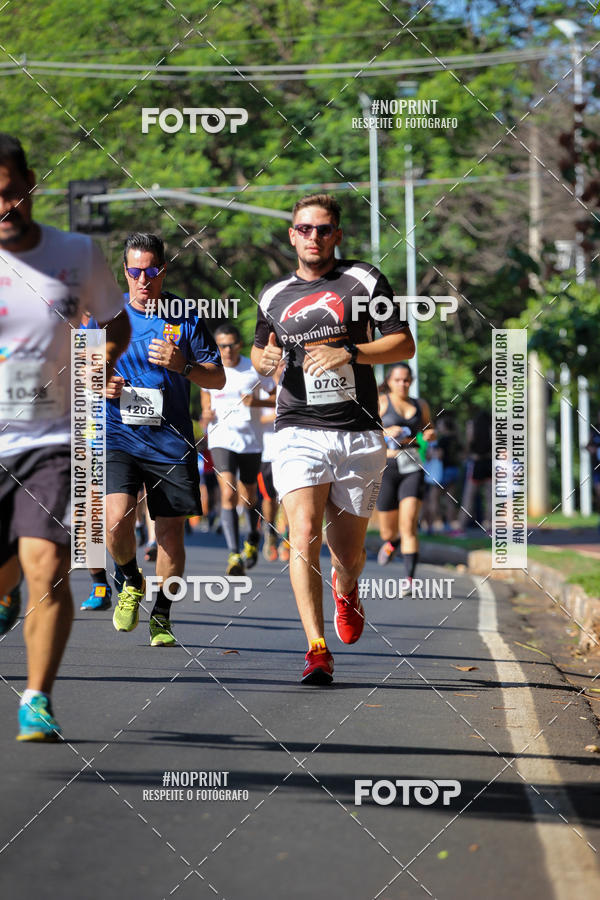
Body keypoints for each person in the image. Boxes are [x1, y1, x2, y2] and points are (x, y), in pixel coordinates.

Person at [252, 193, 414, 684]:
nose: (314, 237)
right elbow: (261, 352)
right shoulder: (273, 294)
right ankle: (316, 648)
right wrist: (263, 361)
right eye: (305, 229)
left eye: (323, 229)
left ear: (337, 235)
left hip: (358, 432)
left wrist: (351, 352)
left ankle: (347, 589)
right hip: (298, 428)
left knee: (348, 555)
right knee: (302, 533)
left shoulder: (363, 279)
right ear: (292, 235)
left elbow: (403, 342)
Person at [0, 133, 130, 740]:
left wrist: (102, 354)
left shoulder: (76, 253)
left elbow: (115, 323)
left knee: (48, 564)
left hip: (51, 437)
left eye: (9, 193)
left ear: (30, 186)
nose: (3, 209)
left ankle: (37, 698)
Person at [87, 232, 224, 646]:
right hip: (118, 437)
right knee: (115, 522)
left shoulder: (187, 318)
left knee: (169, 536)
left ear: (164, 270)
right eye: (134, 272)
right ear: (124, 272)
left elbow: (217, 378)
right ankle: (130, 579)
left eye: (151, 271)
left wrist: (184, 366)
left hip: (171, 443)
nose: (143, 280)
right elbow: (79, 369)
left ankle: (162, 615)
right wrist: (98, 382)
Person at [201, 324, 275, 575]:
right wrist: (206, 414)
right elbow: (206, 401)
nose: (227, 350)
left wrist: (257, 402)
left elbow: (278, 398)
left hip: (251, 441)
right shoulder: (210, 368)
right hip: (222, 439)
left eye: (231, 345)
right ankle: (234, 554)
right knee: (228, 493)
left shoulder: (253, 368)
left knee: (249, 495)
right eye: (222, 345)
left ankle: (253, 536)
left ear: (239, 345)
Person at [375, 364, 435, 586]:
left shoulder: (420, 405)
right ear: (389, 381)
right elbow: (364, 430)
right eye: (398, 380)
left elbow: (429, 428)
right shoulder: (381, 402)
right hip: (387, 465)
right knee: (387, 531)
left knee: (409, 525)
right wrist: (385, 432)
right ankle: (392, 543)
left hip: (412, 464)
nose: (403, 384)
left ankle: (409, 580)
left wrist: (430, 434)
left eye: (407, 380)